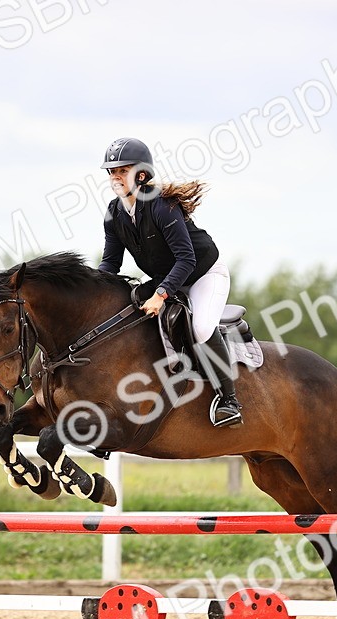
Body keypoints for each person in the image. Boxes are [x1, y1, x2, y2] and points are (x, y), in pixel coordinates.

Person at [96, 137, 243, 428]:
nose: (115, 177)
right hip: (169, 277)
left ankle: (229, 400)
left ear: (140, 174)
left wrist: (161, 294)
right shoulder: (114, 214)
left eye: (121, 170)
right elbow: (110, 263)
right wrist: (93, 290)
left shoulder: (162, 206)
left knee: (200, 328)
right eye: (111, 172)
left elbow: (186, 259)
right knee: (130, 305)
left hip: (204, 274)